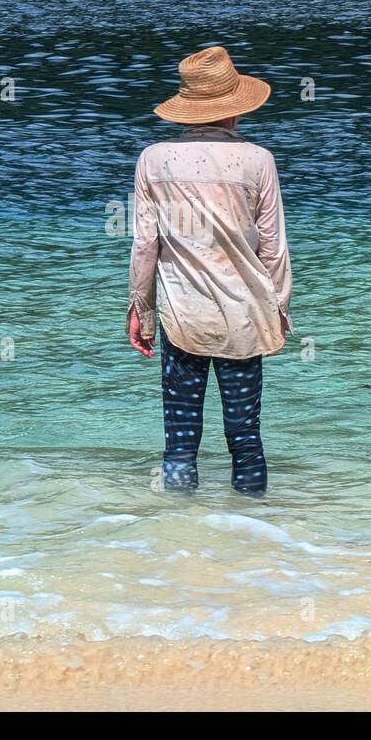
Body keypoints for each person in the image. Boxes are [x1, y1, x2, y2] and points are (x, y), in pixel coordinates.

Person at [127, 46, 293, 496]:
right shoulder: (258, 160)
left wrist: (140, 308)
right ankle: (257, 537)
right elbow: (274, 247)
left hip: (182, 316)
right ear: (236, 109)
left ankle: (178, 537)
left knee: (179, 446)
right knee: (245, 438)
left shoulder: (153, 159)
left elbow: (145, 245)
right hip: (245, 314)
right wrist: (278, 308)